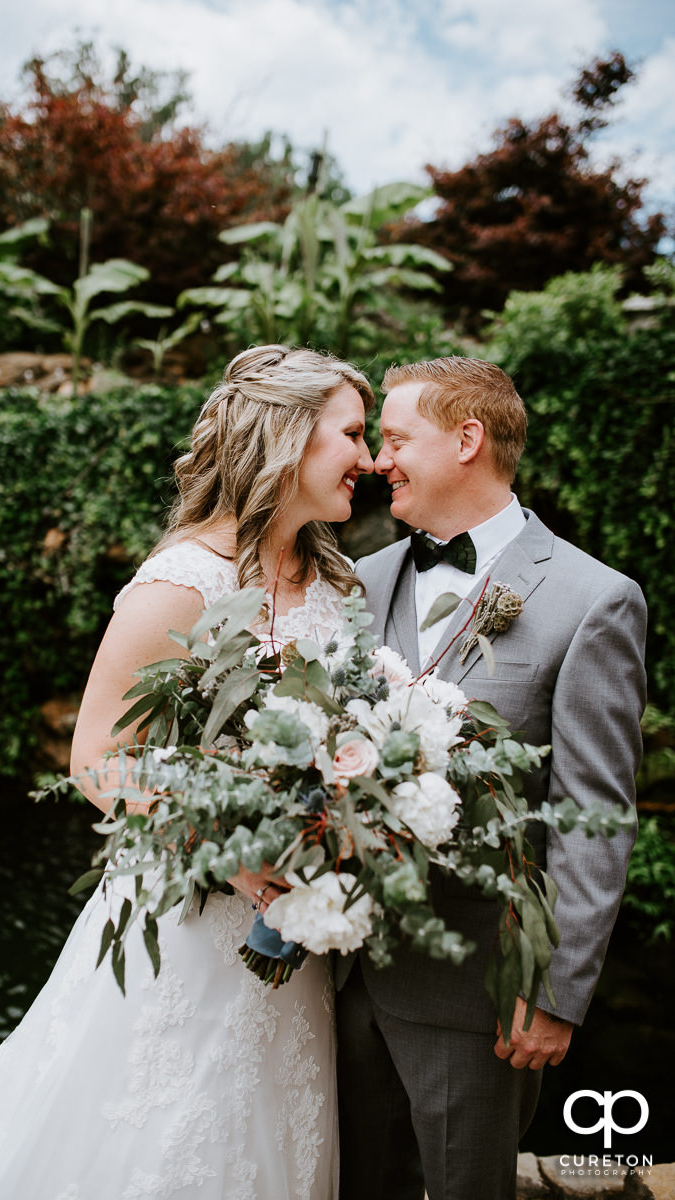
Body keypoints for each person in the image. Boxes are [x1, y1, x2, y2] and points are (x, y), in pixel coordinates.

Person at [0, 344, 375, 1200]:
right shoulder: (181, 583)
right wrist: (223, 848)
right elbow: (97, 757)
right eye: (354, 434)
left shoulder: (340, 581)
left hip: (299, 922)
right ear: (287, 436)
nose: (367, 459)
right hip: (189, 920)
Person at [335, 356, 647, 1200]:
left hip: (473, 995)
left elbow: (591, 814)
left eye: (395, 439)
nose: (374, 460)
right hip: (329, 981)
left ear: (466, 439)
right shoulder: (358, 584)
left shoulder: (593, 599)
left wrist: (556, 991)